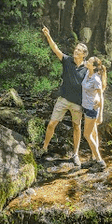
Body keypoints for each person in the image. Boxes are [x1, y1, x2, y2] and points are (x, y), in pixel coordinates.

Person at [39, 26, 88, 164]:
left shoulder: (87, 69)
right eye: (75, 49)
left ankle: (75, 154)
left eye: (79, 50)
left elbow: (95, 83)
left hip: (77, 103)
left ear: (84, 54)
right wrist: (48, 35)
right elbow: (55, 49)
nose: (75, 51)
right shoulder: (67, 61)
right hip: (63, 99)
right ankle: (44, 148)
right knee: (51, 123)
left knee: (76, 127)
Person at [80, 56, 108, 169]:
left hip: (92, 109)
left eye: (90, 61)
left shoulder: (96, 79)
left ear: (94, 66)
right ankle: (93, 158)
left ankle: (100, 162)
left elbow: (101, 97)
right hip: (86, 107)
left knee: (87, 135)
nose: (87, 61)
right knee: (94, 134)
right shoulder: (87, 73)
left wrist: (100, 115)